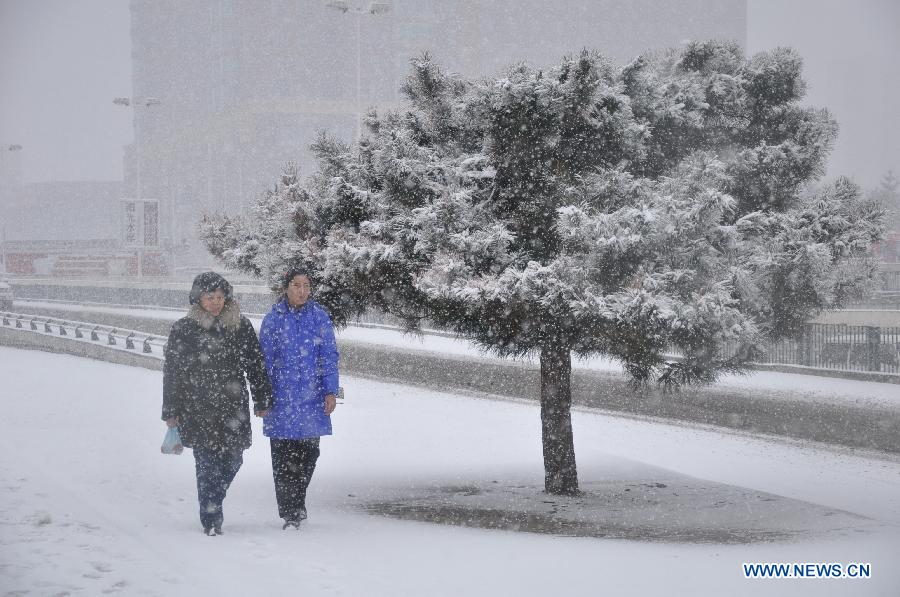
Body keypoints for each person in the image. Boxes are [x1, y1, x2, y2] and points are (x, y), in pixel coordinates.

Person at [162, 271, 273, 536]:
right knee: (206, 463)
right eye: (209, 297)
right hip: (197, 407)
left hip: (233, 406)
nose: (215, 302)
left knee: (234, 459)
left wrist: (262, 398)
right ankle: (211, 518)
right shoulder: (183, 329)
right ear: (198, 298)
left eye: (220, 297)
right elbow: (173, 371)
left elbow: (255, 365)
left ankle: (214, 498)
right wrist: (171, 410)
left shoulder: (240, 326)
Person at [259, 268, 339, 530]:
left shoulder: (319, 318)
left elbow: (328, 356)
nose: (302, 291)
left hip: (311, 399)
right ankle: (291, 513)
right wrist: (263, 396)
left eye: (306, 285)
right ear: (286, 288)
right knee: (283, 461)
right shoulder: (274, 320)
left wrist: (330, 390)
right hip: (281, 400)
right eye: (296, 285)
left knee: (309, 455)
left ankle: (297, 500)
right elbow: (265, 361)